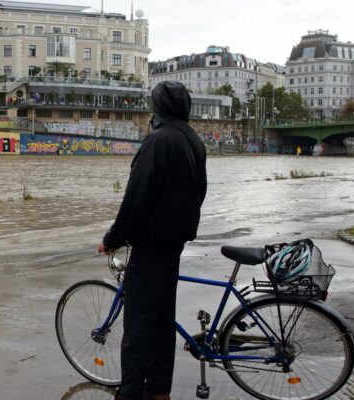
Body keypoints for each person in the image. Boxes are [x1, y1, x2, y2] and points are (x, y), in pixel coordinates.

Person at [97, 81, 207, 400]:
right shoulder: (192, 140)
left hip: (150, 246)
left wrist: (113, 238)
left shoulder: (158, 141)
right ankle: (159, 391)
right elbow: (199, 192)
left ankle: (130, 393)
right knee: (161, 323)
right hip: (174, 243)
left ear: (156, 108)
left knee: (138, 329)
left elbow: (137, 199)